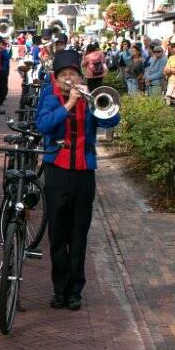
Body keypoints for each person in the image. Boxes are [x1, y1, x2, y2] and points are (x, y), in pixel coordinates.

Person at [35, 50, 120, 311]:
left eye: (73, 74)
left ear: (79, 76)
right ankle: (59, 289)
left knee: (79, 233)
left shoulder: (89, 99)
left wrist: (95, 102)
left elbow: (112, 119)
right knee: (58, 233)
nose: (69, 79)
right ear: (56, 78)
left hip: (84, 172)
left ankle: (75, 291)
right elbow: (43, 125)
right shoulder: (49, 97)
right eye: (64, 75)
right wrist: (68, 105)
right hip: (57, 171)